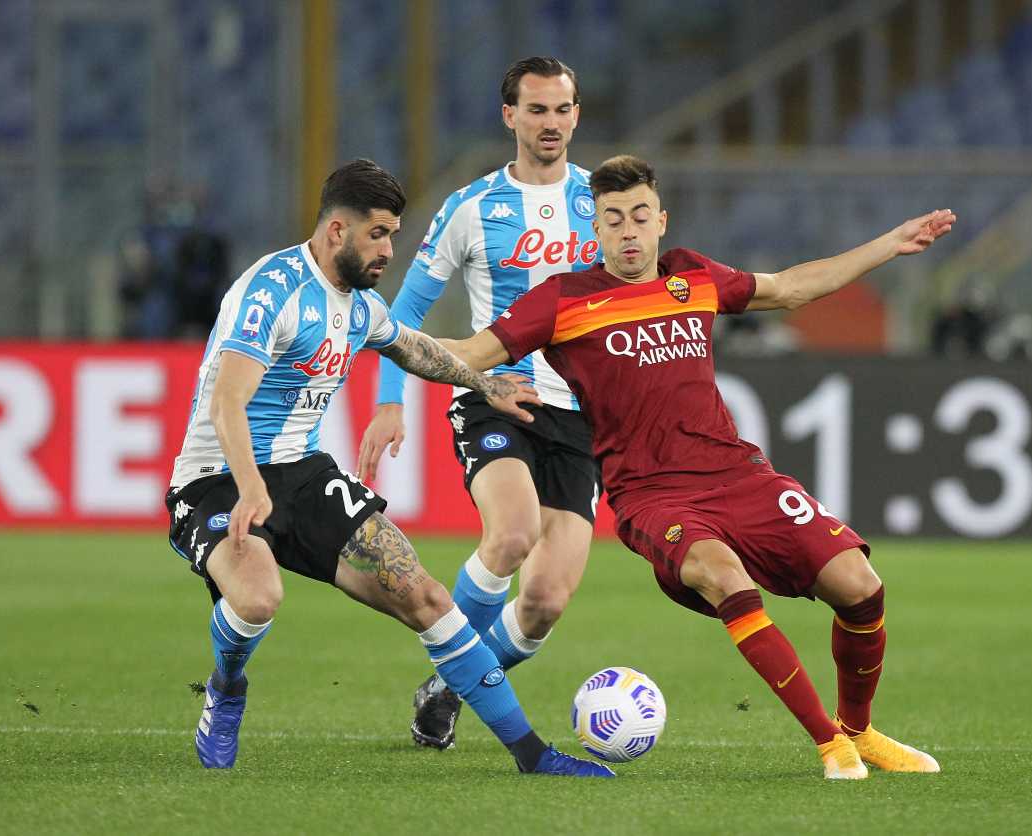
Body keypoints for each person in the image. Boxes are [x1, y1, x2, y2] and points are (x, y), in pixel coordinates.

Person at [436, 154, 957, 780]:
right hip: (652, 495)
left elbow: (791, 286)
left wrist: (889, 245)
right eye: (612, 220)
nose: (627, 232)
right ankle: (829, 745)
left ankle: (859, 730)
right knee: (723, 574)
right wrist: (376, 333)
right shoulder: (562, 301)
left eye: (638, 217)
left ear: (661, 220)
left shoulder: (695, 276)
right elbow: (469, 352)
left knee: (860, 585)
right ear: (593, 229)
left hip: (738, 473)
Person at [164, 158, 612, 778]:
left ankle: (532, 755)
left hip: (305, 474)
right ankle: (226, 685)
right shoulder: (271, 289)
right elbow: (226, 401)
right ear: (336, 231)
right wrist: (248, 487)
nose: (389, 249)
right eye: (379, 234)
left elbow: (420, 348)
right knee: (259, 598)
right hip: (218, 478)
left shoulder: (358, 305)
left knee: (424, 594)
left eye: (394, 234)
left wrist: (486, 382)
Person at [358, 57, 603, 750]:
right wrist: (389, 400)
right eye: (536, 110)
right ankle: (452, 663)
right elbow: (403, 310)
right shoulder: (472, 207)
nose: (550, 123)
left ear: (577, 114)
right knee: (513, 531)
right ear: (510, 117)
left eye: (561, 109)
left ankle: (448, 688)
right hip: (498, 394)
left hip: (581, 415)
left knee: (545, 602)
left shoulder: (606, 205)